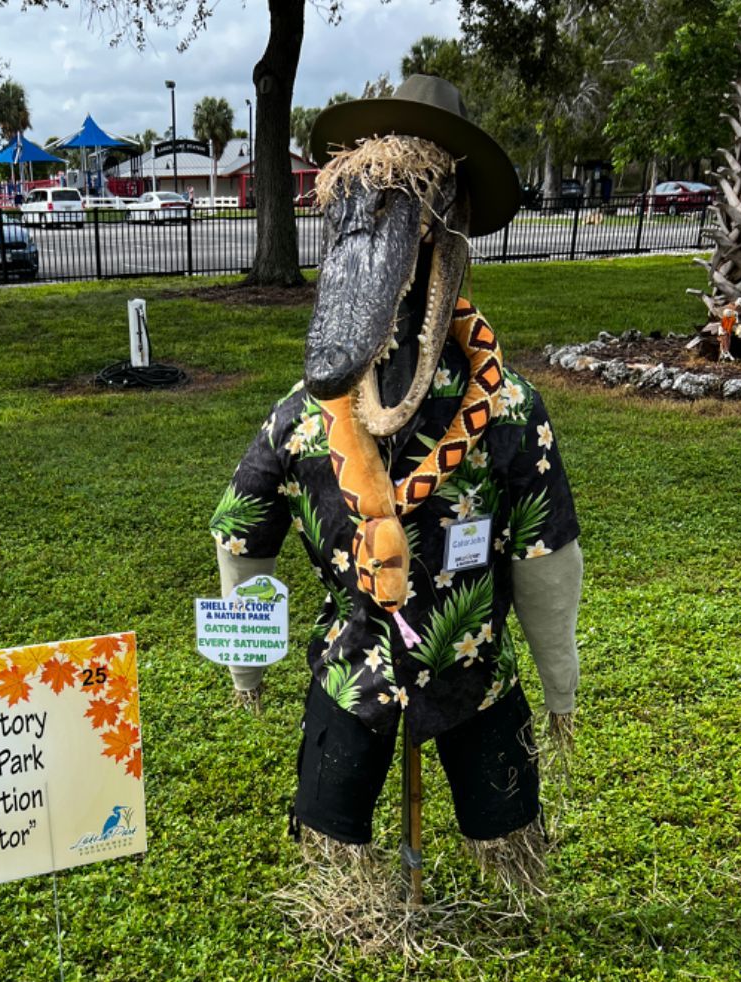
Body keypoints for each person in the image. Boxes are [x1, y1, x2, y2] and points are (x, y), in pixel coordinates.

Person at [212, 75, 582, 880]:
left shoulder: (506, 409)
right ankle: (346, 886)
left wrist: (558, 682)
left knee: (504, 823)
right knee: (334, 819)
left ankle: (506, 873)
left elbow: (543, 553)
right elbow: (244, 528)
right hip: (351, 674)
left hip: (472, 673)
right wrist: (246, 660)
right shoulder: (307, 415)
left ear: (441, 228)